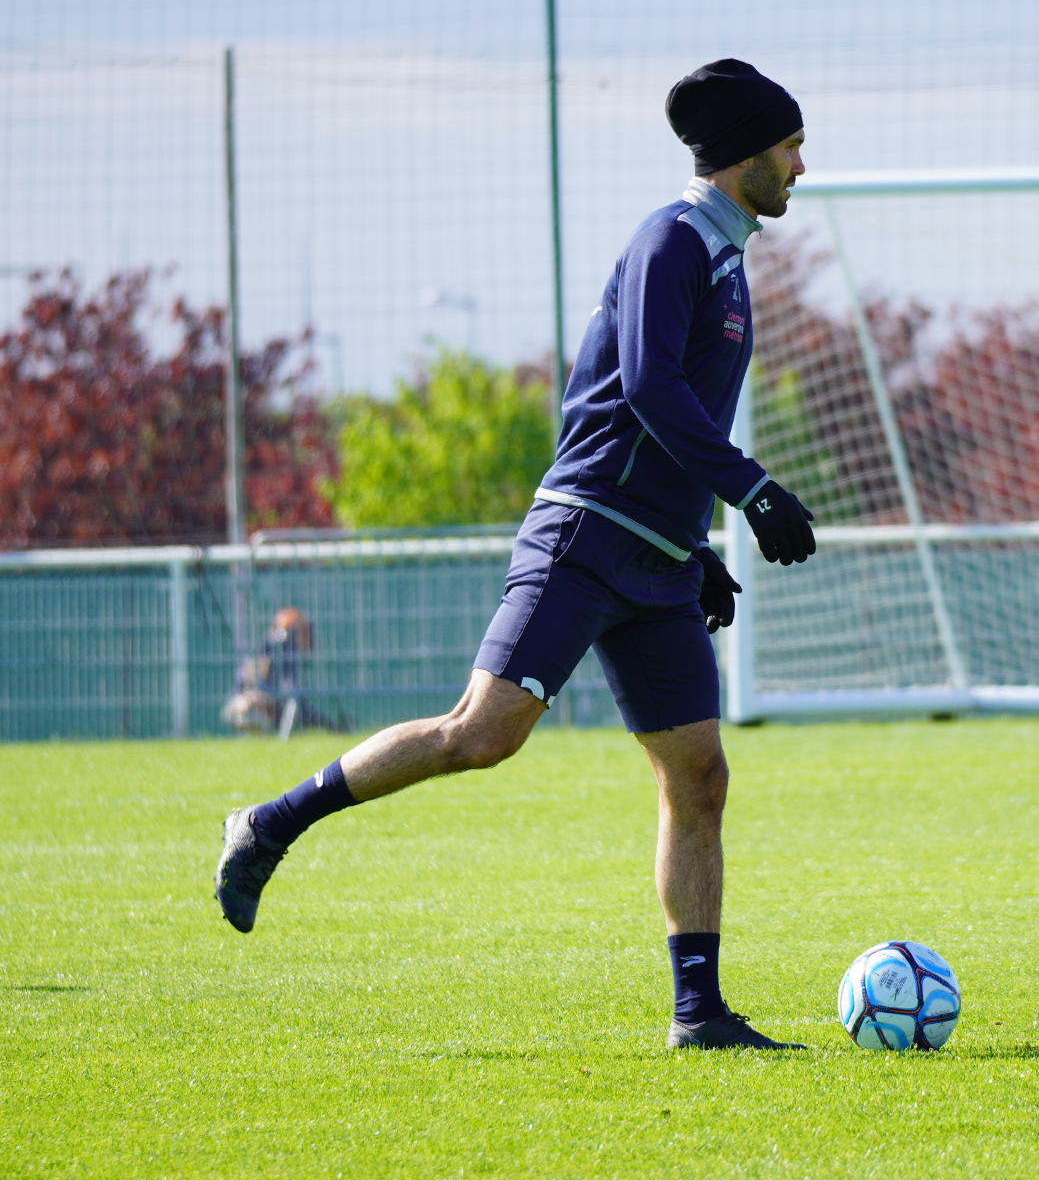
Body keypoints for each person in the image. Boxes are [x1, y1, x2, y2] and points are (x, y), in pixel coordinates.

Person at [213, 59, 816, 1050]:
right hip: (586, 532)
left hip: (657, 555)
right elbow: (650, 390)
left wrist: (696, 540)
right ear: (745, 153)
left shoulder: (725, 257)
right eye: (791, 145)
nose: (802, 164)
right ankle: (266, 824)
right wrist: (748, 491)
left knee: (698, 775)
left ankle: (698, 1014)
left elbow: (676, 410)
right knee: (479, 735)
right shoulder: (672, 241)